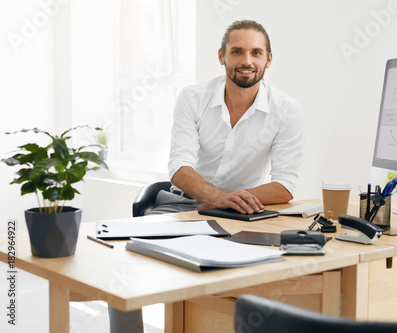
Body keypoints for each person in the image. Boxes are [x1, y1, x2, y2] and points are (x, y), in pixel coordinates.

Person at [108, 19, 306, 333]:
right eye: (237, 51)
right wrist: (217, 198)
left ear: (269, 59)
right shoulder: (193, 97)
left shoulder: (287, 110)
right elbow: (179, 167)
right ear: (221, 56)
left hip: (246, 212)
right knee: (125, 261)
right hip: (185, 206)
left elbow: (285, 185)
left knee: (285, 271)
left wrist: (233, 202)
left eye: (256, 53)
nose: (246, 61)